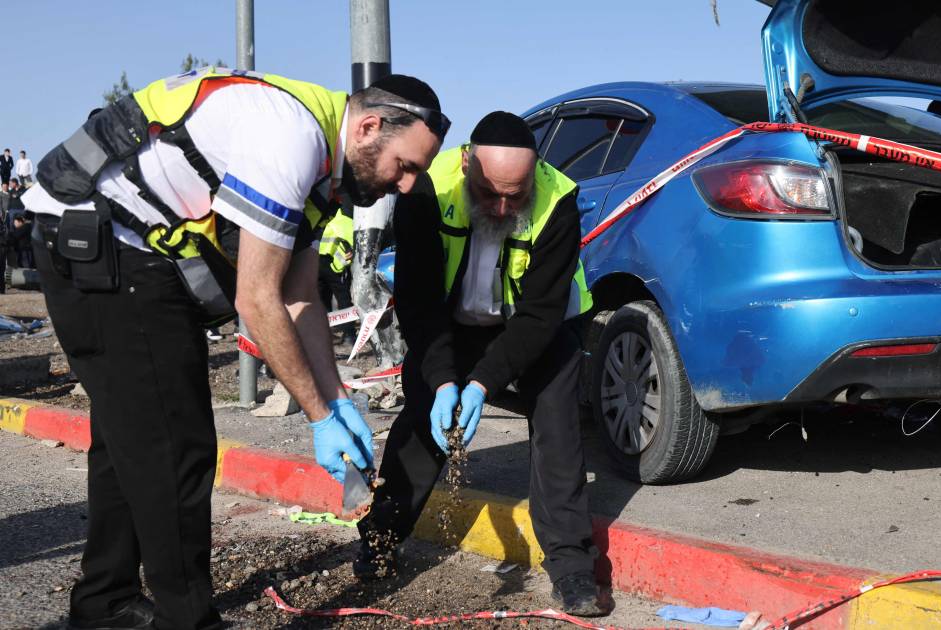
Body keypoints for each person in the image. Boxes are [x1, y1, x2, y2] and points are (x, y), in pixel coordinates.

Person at [23, 67, 447, 630]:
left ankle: (105, 601)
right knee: (176, 446)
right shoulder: (291, 138)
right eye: (406, 165)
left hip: (119, 247)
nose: (408, 184)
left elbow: (300, 297)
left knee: (130, 436)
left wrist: (337, 395)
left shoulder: (325, 164)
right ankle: (186, 618)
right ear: (369, 126)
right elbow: (258, 298)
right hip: (103, 247)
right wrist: (318, 416)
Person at [355, 111, 606, 616]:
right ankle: (381, 538)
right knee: (423, 415)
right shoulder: (427, 188)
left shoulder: (558, 199)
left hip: (535, 328)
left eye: (517, 193)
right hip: (450, 324)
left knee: (558, 424)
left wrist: (483, 385)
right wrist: (447, 381)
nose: (504, 205)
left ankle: (572, 565)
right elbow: (419, 300)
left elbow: (540, 314)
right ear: (468, 163)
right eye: (492, 192)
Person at [317, 208, 355, 313]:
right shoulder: (344, 219)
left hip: (316, 259)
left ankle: (324, 327)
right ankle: (348, 329)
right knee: (344, 299)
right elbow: (354, 242)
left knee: (322, 298)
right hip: (335, 264)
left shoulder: (326, 217)